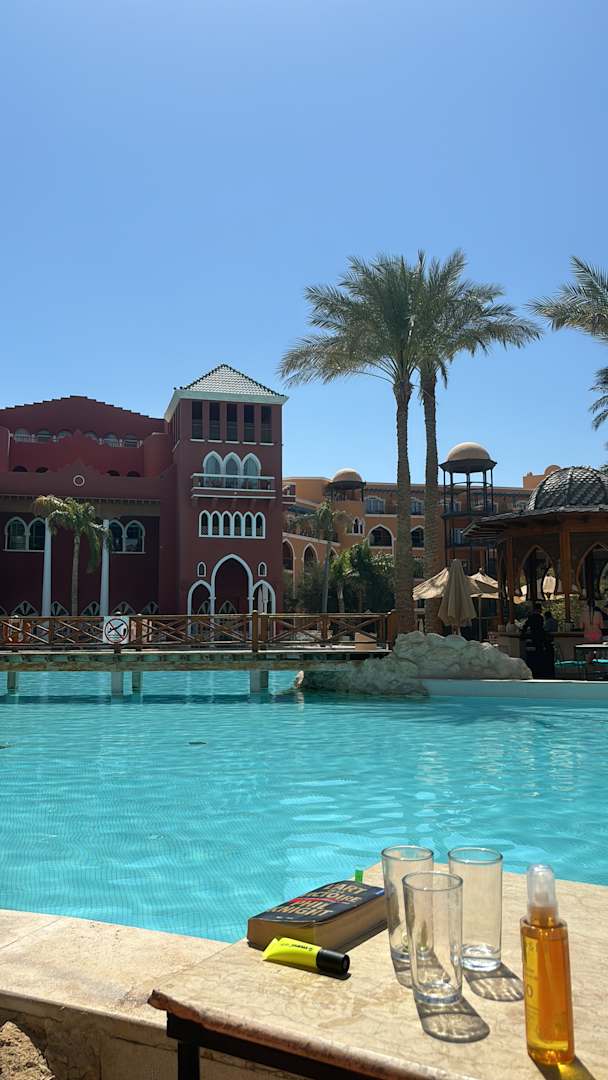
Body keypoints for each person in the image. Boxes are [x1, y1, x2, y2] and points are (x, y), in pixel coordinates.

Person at [521, 602, 554, 678]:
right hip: (539, 639)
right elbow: (540, 628)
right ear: (539, 609)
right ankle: (540, 670)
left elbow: (525, 626)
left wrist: (523, 634)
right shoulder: (540, 618)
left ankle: (534, 670)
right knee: (539, 654)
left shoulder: (530, 617)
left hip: (532, 639)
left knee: (532, 656)